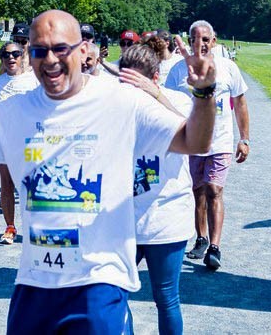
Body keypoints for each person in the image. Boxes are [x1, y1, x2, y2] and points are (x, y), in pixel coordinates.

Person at [0, 9, 216, 333]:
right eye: (40, 50)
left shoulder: (122, 101)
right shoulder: (13, 112)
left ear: (83, 51)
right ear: (30, 55)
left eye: (60, 49)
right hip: (35, 284)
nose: (50, 59)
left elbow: (195, 141)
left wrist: (203, 94)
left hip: (97, 283)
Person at [118, 44, 193, 334]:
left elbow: (193, 136)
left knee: (166, 297)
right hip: (122, 219)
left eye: (139, 84)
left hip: (166, 217)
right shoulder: (115, 103)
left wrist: (157, 95)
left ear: (155, 77)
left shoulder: (178, 100)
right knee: (114, 295)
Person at [166, 20, 250, 270]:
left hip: (220, 141)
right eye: (194, 38)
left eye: (205, 39)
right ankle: (201, 237)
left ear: (213, 41)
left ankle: (215, 246)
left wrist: (244, 138)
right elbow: (166, 104)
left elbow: (240, 102)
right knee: (197, 190)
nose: (199, 43)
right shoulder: (178, 71)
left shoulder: (228, 68)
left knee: (214, 189)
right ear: (188, 41)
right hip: (190, 142)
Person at [0, 41, 39, 245]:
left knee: (32, 185)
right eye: (6, 55)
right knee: (6, 184)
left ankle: (35, 227)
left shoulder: (33, 79)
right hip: (4, 138)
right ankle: (10, 227)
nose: (11, 58)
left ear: (22, 57)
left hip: (30, 140)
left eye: (15, 54)